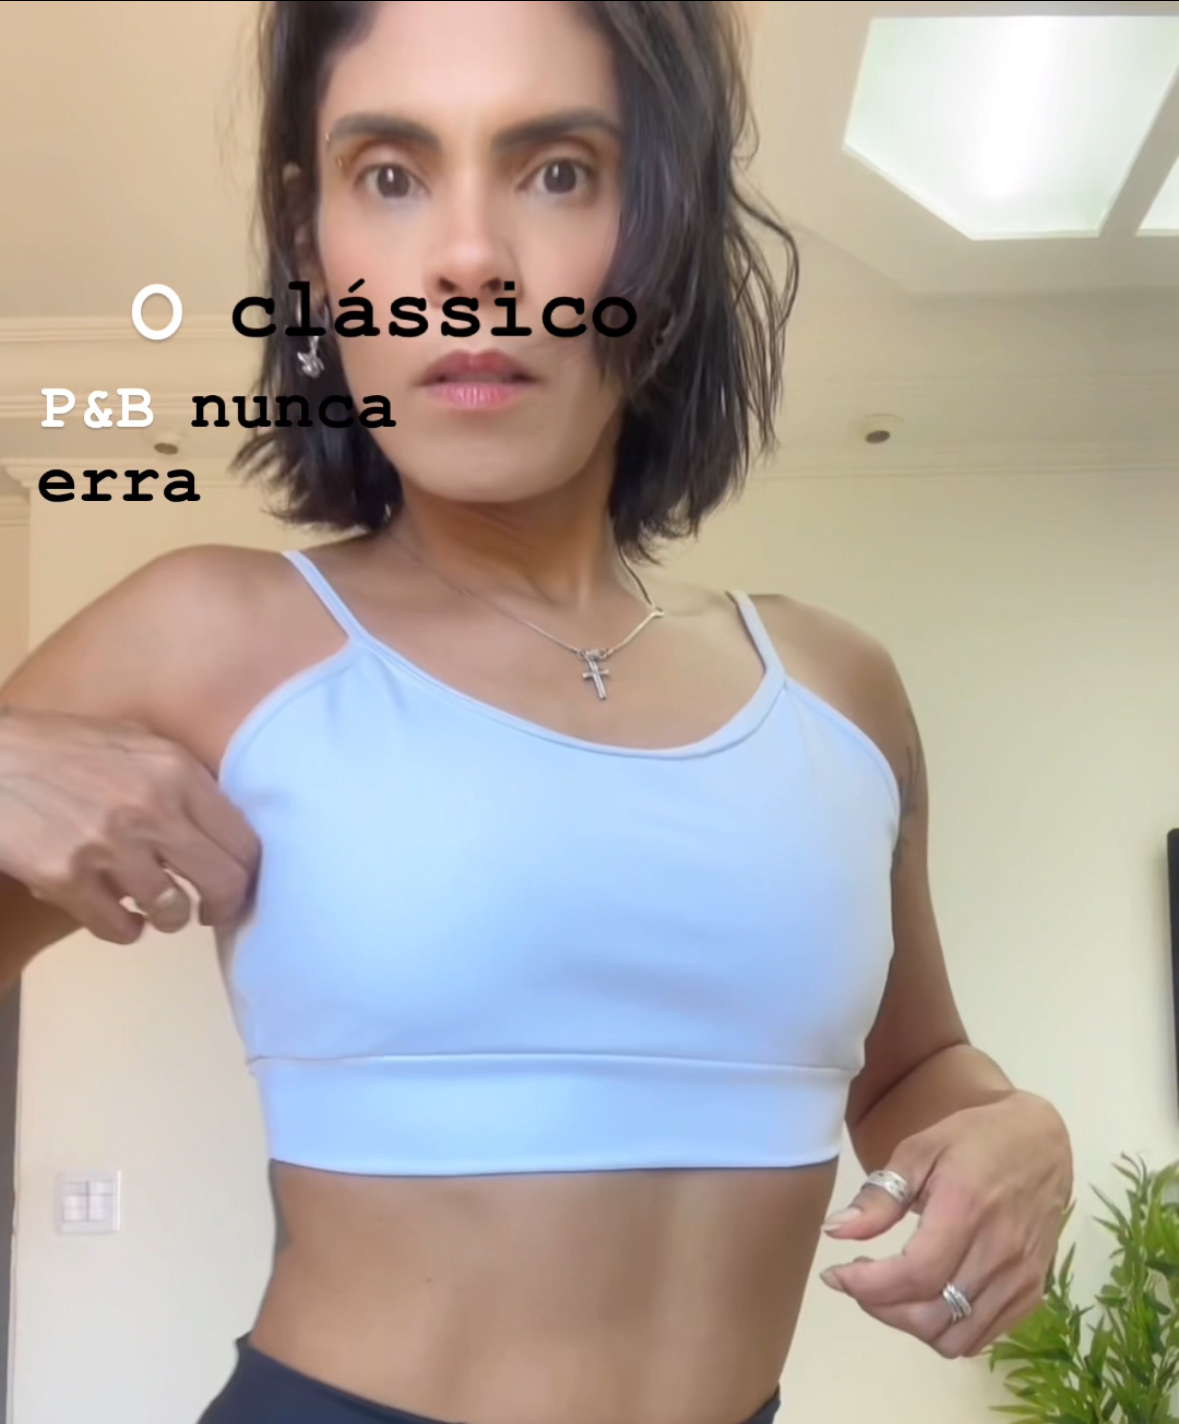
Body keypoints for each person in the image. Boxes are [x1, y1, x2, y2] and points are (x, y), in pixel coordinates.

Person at [0, 3, 1074, 1423]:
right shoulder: (212, 633)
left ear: (665, 248)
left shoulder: (838, 690)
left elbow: (917, 1070)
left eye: (558, 170)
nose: (468, 262)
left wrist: (1013, 1129)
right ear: (315, 253)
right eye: (391, 173)